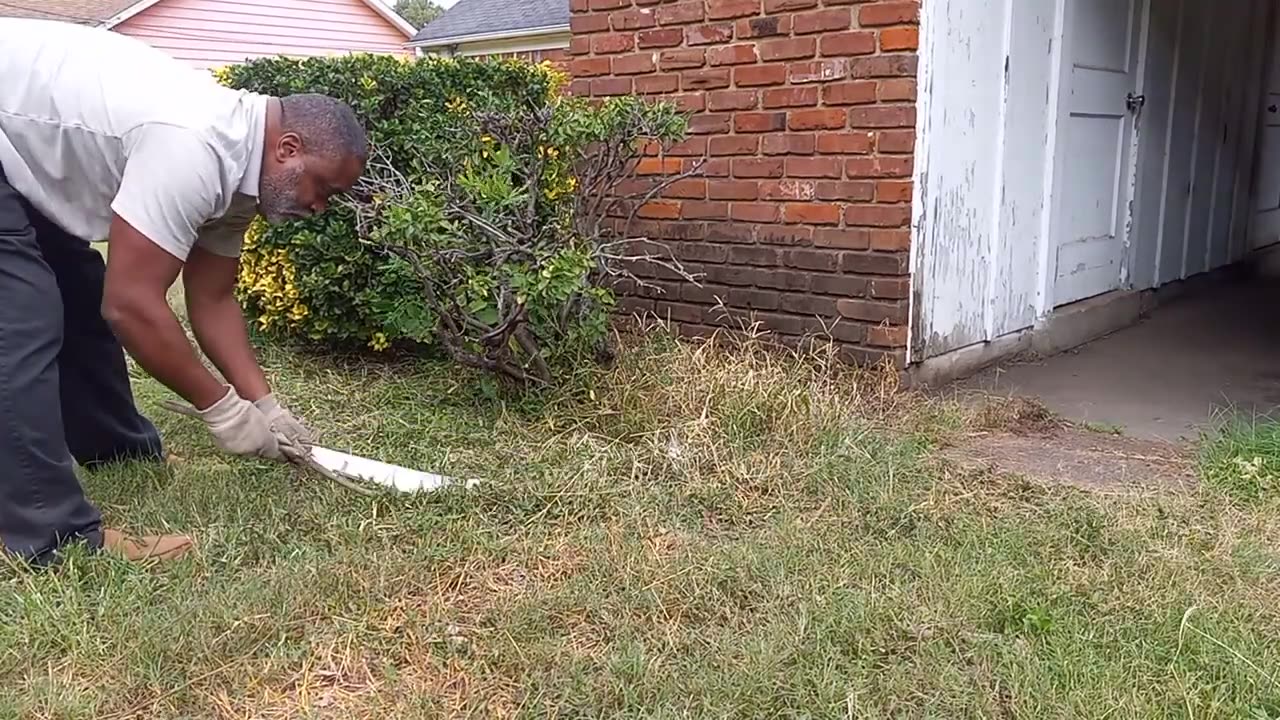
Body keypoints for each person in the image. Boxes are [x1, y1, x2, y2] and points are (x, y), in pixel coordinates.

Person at [0, 18, 368, 565]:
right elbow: (131, 306)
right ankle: (49, 539)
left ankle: (121, 454)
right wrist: (221, 410)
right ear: (288, 148)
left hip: (15, 150)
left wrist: (264, 404)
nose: (320, 208)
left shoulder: (247, 171)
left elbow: (212, 299)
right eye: (323, 189)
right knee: (22, 317)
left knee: (77, 288)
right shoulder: (195, 144)